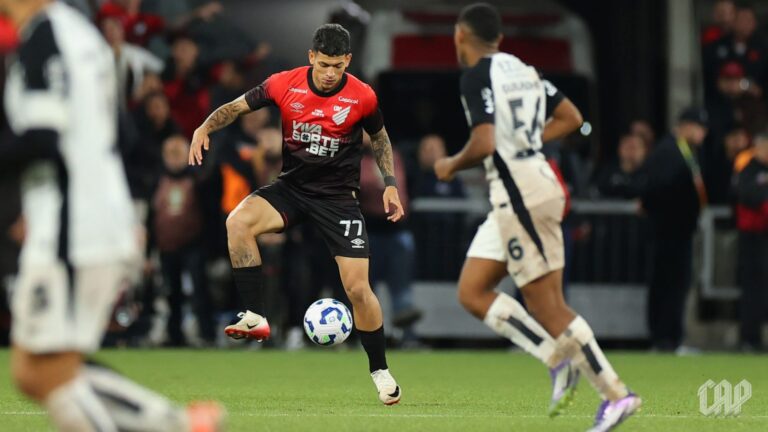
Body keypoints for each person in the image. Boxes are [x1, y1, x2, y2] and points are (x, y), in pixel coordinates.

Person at [0, 1, 224, 431]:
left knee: (53, 375)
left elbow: (41, 136)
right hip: (87, 216)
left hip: (73, 228)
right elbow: (119, 133)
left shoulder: (45, 37)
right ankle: (173, 423)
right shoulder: (85, 36)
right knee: (34, 370)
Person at [433, 4, 640, 431]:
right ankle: (555, 358)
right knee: (472, 291)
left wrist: (451, 164)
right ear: (500, 39)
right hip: (523, 190)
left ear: (459, 35)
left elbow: (485, 141)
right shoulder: (523, 69)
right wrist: (527, 139)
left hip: (521, 194)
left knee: (548, 306)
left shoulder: (475, 76)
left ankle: (617, 395)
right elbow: (572, 118)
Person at [189, 23, 404, 405]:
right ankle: (255, 316)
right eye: (323, 64)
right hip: (292, 187)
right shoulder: (283, 84)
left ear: (348, 62)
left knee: (357, 288)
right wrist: (205, 125)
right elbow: (237, 108)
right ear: (311, 58)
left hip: (338, 198)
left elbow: (381, 137)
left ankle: (380, 369)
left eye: (337, 66)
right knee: (237, 222)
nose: (329, 73)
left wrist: (389, 181)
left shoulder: (362, 97)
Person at [640, 108, 709, 352]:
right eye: (700, 129)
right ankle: (666, 339)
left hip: (678, 230)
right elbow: (655, 190)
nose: (703, 134)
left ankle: (669, 338)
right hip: (668, 231)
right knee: (669, 283)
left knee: (675, 283)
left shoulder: (685, 151)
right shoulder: (668, 151)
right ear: (687, 126)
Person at [152, 135, 215, 346]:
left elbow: (209, 213)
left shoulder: (199, 180)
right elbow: (152, 216)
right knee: (171, 293)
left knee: (200, 290)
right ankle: (174, 334)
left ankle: (207, 333)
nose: (174, 159)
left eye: (178, 153)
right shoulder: (156, 179)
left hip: (193, 244)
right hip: (166, 246)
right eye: (170, 154)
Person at [733, 132, 768, 351]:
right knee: (753, 287)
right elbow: (745, 194)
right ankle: (749, 338)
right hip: (752, 238)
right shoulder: (748, 168)